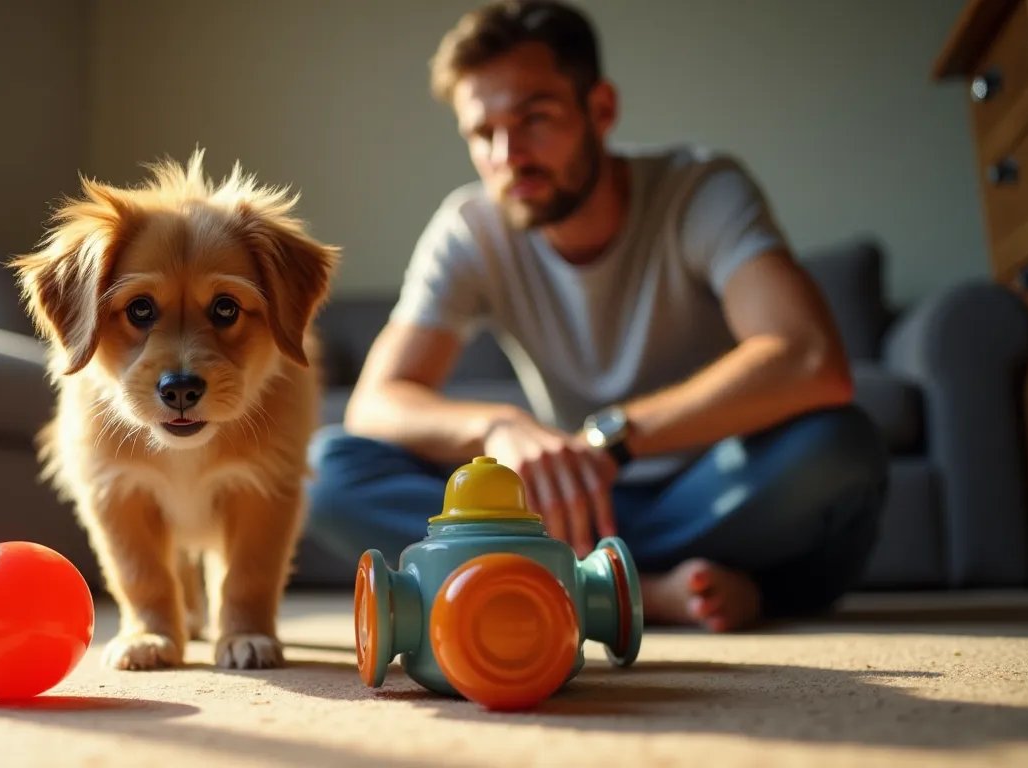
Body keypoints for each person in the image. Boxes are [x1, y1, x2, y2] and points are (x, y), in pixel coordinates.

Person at [306, 0, 886, 631]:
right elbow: (377, 402)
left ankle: (571, 582)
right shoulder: (470, 229)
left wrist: (613, 439)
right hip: (566, 509)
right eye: (482, 133)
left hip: (713, 489)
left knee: (838, 445)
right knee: (325, 471)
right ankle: (643, 592)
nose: (508, 154)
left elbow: (808, 356)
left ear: (601, 109)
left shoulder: (701, 191)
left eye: (535, 119)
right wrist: (498, 426)